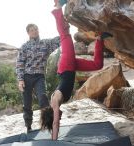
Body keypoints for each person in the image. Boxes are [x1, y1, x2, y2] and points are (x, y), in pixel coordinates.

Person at [40, 1, 113, 140]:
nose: (59, 118)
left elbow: (55, 123)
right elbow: (55, 123)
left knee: (65, 36)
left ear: (51, 115)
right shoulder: (55, 105)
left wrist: (54, 141)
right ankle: (99, 39)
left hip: (66, 66)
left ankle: (57, 8)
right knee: (97, 65)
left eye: (57, 118)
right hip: (70, 68)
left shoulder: (55, 102)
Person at [16, 23, 60, 133]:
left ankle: (47, 125)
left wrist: (64, 27)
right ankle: (28, 126)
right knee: (27, 103)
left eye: (36, 29)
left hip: (39, 77)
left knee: (43, 98)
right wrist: (20, 80)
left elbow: (60, 39)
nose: (34, 31)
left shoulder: (45, 43)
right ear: (28, 33)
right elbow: (20, 63)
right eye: (32, 30)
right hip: (27, 77)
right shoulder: (24, 47)